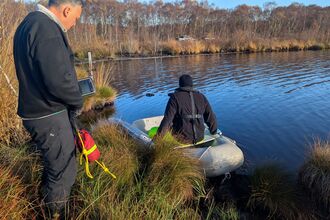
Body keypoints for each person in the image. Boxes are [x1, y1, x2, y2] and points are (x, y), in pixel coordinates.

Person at [13, 0, 84, 217]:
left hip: (37, 111)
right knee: (63, 171)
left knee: (54, 167)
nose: (75, 23)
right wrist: (77, 100)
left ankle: (43, 205)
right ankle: (54, 213)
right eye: (76, 17)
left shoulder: (29, 23)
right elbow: (58, 80)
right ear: (66, 9)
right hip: (48, 114)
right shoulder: (47, 28)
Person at [157, 74, 218, 144]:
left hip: (182, 139)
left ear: (180, 85)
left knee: (170, 123)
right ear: (192, 85)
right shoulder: (201, 96)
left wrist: (157, 139)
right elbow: (211, 116)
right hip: (200, 137)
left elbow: (167, 120)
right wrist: (213, 131)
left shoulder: (175, 98)